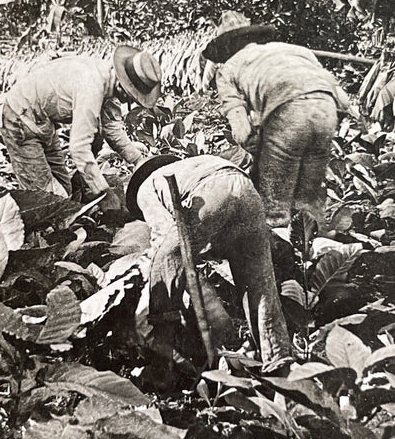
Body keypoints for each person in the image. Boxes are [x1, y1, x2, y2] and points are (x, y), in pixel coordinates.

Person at [125, 154, 292, 374]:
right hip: (246, 189)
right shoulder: (189, 166)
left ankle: (163, 358)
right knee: (259, 282)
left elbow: (164, 239)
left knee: (165, 263)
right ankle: (277, 361)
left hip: (212, 190)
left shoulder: (146, 188)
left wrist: (152, 272)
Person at [203, 18, 349, 230]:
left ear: (226, 48)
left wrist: (261, 153)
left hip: (287, 114)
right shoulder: (297, 51)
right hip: (326, 111)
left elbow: (242, 131)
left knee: (275, 207)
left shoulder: (228, 70)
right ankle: (316, 252)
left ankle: (281, 255)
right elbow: (343, 102)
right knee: (309, 199)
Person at [0, 46, 161, 211]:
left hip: (44, 122)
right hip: (19, 119)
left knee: (64, 189)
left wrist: (138, 160)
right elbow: (79, 147)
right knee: (46, 200)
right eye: (131, 96)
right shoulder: (91, 88)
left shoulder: (109, 79)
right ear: (123, 85)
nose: (131, 101)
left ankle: (78, 193)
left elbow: (111, 127)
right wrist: (104, 193)